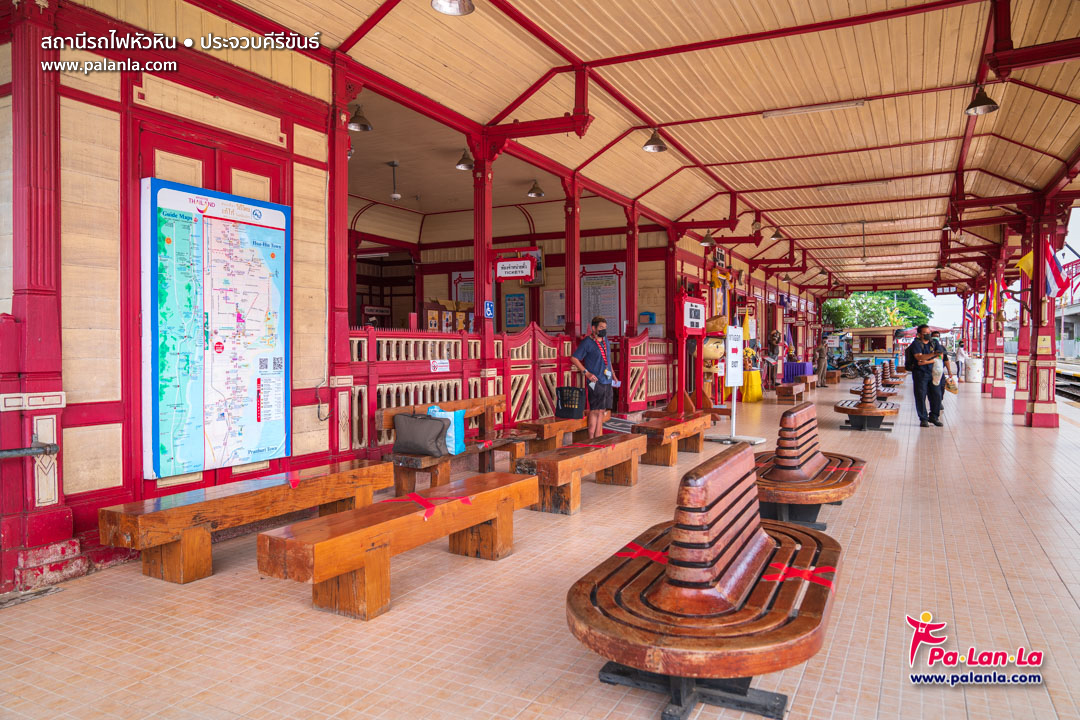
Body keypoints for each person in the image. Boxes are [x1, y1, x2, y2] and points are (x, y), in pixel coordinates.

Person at [570, 316, 619, 438]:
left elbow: (608, 360)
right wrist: (586, 373)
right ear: (594, 328)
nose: (603, 330)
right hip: (595, 381)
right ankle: (591, 438)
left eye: (605, 328)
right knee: (595, 410)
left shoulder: (605, 340)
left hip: (607, 380)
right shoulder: (587, 342)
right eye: (601, 327)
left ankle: (598, 436)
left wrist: (613, 375)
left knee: (602, 410)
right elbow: (574, 358)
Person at [906, 324, 944, 427]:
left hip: (934, 373)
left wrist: (927, 360)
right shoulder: (916, 344)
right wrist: (933, 354)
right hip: (920, 374)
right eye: (925, 333)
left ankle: (934, 417)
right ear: (919, 334)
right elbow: (919, 358)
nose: (927, 335)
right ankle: (923, 418)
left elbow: (940, 356)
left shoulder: (934, 342)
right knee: (920, 396)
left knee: (937, 395)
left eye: (929, 333)